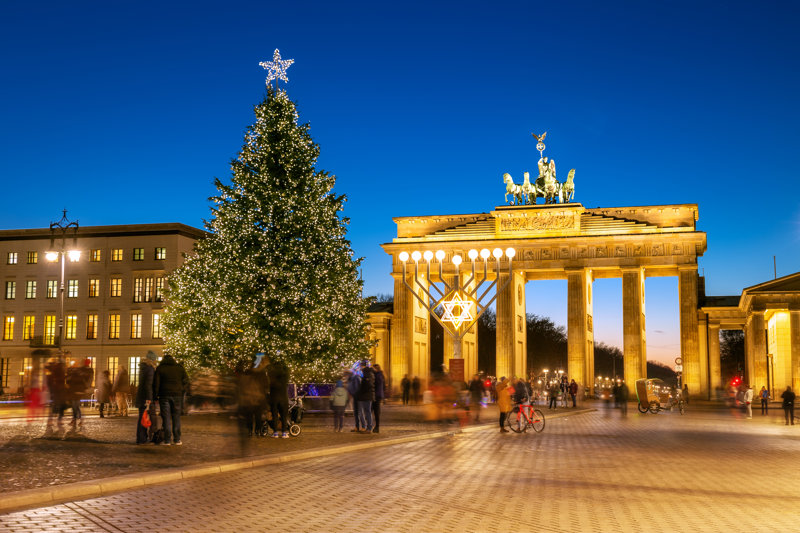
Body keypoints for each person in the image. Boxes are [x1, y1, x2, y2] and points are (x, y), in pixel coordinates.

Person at [153, 352, 190, 445]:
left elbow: (156, 384)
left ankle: (167, 440)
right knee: (176, 417)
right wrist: (181, 390)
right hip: (177, 395)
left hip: (164, 395)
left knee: (166, 418)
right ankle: (177, 439)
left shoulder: (160, 368)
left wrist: (155, 395)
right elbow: (186, 381)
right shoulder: (179, 368)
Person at [238, 354, 269, 437]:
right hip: (259, 397)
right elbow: (266, 385)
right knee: (258, 416)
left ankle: (250, 431)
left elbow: (243, 383)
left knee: (249, 416)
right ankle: (258, 431)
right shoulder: (262, 373)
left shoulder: (248, 371)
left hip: (249, 397)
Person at [65, 359, 93, 432]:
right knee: (75, 406)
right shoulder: (81, 370)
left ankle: (78, 420)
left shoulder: (82, 371)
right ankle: (77, 420)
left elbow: (84, 379)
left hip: (79, 390)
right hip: (76, 390)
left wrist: (86, 387)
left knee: (75, 405)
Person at [136, 351, 158, 444]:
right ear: (152, 359)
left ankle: (141, 438)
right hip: (146, 397)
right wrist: (149, 398)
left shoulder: (144, 368)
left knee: (142, 417)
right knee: (144, 417)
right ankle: (142, 438)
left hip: (141, 396)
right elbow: (148, 385)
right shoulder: (150, 369)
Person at [267, 357, 290, 438]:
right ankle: (284, 432)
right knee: (284, 416)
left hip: (274, 398)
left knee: (275, 416)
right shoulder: (285, 375)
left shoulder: (271, 374)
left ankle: (275, 432)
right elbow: (287, 371)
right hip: (283, 397)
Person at [45, 356, 67, 432]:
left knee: (53, 405)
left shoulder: (52, 369)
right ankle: (58, 419)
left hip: (54, 389)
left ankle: (50, 420)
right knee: (60, 405)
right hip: (59, 389)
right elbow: (62, 378)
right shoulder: (60, 368)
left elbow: (48, 379)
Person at [356, 360, 375, 433]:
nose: (360, 367)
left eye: (360, 366)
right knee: (367, 411)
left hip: (366, 395)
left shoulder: (366, 373)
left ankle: (369, 428)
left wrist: (360, 390)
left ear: (363, 366)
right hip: (366, 395)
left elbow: (367, 385)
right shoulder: (368, 373)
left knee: (367, 411)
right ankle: (368, 427)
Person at [372, 363, 385, 433]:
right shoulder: (379, 375)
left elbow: (377, 385)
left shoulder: (378, 376)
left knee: (376, 412)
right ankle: (374, 426)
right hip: (378, 395)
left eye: (373, 368)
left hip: (376, 396)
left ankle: (377, 427)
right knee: (374, 411)